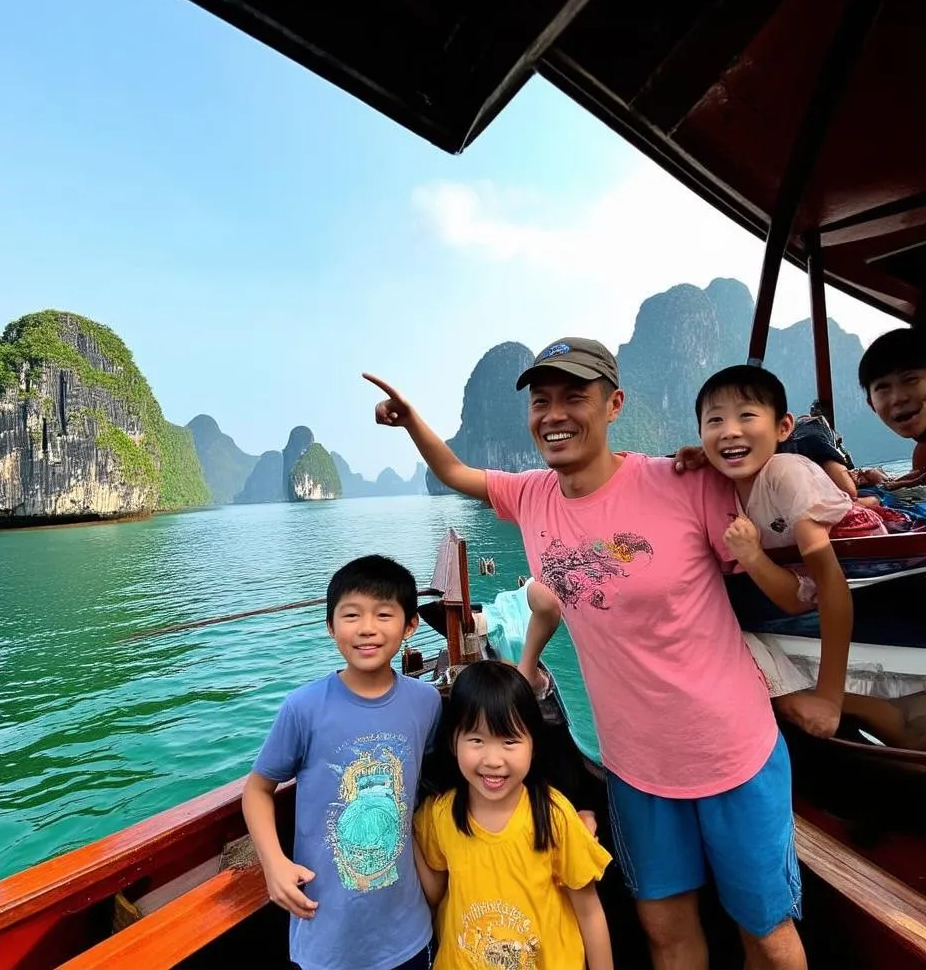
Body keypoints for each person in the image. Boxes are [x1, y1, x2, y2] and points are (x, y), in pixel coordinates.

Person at [364, 340, 808, 970]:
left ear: (614, 404)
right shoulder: (531, 496)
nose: (555, 414)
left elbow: (777, 505)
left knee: (766, 932)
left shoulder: (682, 482)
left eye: (575, 396)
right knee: (665, 931)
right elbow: (459, 475)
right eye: (541, 401)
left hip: (731, 748)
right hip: (633, 764)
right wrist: (411, 421)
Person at [242, 555, 442, 970]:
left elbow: (427, 782)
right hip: (326, 937)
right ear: (331, 625)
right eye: (351, 615)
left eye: (384, 615)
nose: (367, 627)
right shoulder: (304, 707)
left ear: (410, 626)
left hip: (408, 931)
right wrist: (274, 864)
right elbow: (258, 790)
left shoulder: (425, 703)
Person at [694, 364, 886, 730]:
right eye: (714, 421)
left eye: (747, 416)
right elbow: (795, 597)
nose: (730, 431)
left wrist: (830, 699)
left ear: (783, 428)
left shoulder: (785, 471)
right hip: (799, 579)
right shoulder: (722, 483)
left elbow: (829, 584)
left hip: (862, 574)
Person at [413, 660, 613, 970]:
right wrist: (402, 828)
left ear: (533, 743)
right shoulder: (441, 814)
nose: (493, 760)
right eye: (476, 740)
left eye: (509, 741)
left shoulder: (553, 815)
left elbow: (589, 911)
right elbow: (435, 892)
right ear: (454, 742)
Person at [857, 327, 926, 487]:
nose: (898, 398)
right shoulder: (922, 453)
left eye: (911, 379)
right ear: (871, 404)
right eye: (882, 387)